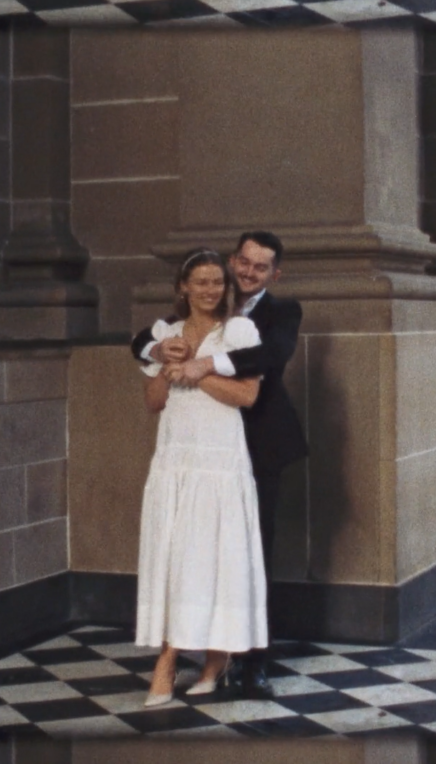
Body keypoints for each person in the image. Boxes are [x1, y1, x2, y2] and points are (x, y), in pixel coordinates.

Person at [132, 231, 309, 700]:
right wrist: (153, 351)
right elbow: (146, 362)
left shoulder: (276, 315)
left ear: (275, 273)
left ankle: (251, 662)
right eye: (243, 264)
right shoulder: (169, 329)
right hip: (185, 454)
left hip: (254, 446)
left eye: (260, 267)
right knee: (184, 555)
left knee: (246, 556)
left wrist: (199, 367)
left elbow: (267, 361)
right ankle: (189, 655)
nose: (248, 273)